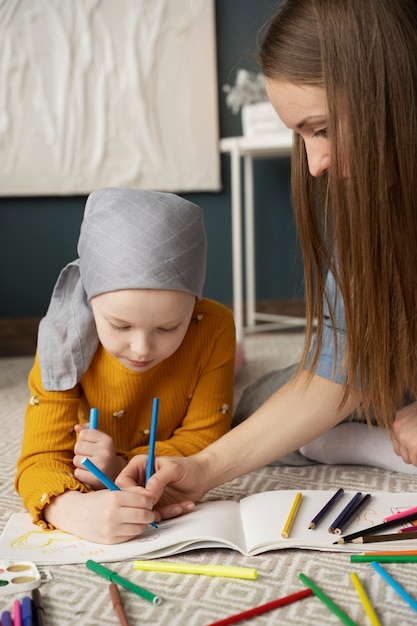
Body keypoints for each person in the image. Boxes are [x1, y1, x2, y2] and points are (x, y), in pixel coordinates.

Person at [116, 0, 417, 525]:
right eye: (300, 136)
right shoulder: (379, 205)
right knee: (255, 403)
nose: (316, 165)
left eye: (320, 129)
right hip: (397, 378)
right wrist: (204, 467)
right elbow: (340, 364)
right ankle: (383, 439)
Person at [15, 188, 236, 543]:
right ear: (89, 301)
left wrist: (118, 465)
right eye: (119, 326)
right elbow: (39, 459)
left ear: (192, 308)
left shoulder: (212, 326)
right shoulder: (61, 338)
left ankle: (238, 361)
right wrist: (74, 510)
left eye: (168, 327)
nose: (141, 349)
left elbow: (207, 443)